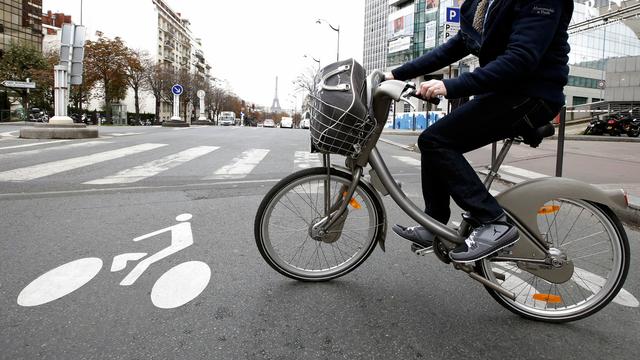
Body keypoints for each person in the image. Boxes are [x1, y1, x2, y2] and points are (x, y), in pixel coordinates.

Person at [387, 0, 573, 262]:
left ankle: (494, 222)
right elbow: (452, 48)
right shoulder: (480, 4)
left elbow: (521, 58)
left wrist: (452, 86)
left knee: (436, 141)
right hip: (503, 92)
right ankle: (435, 224)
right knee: (433, 140)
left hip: (532, 94)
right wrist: (395, 74)